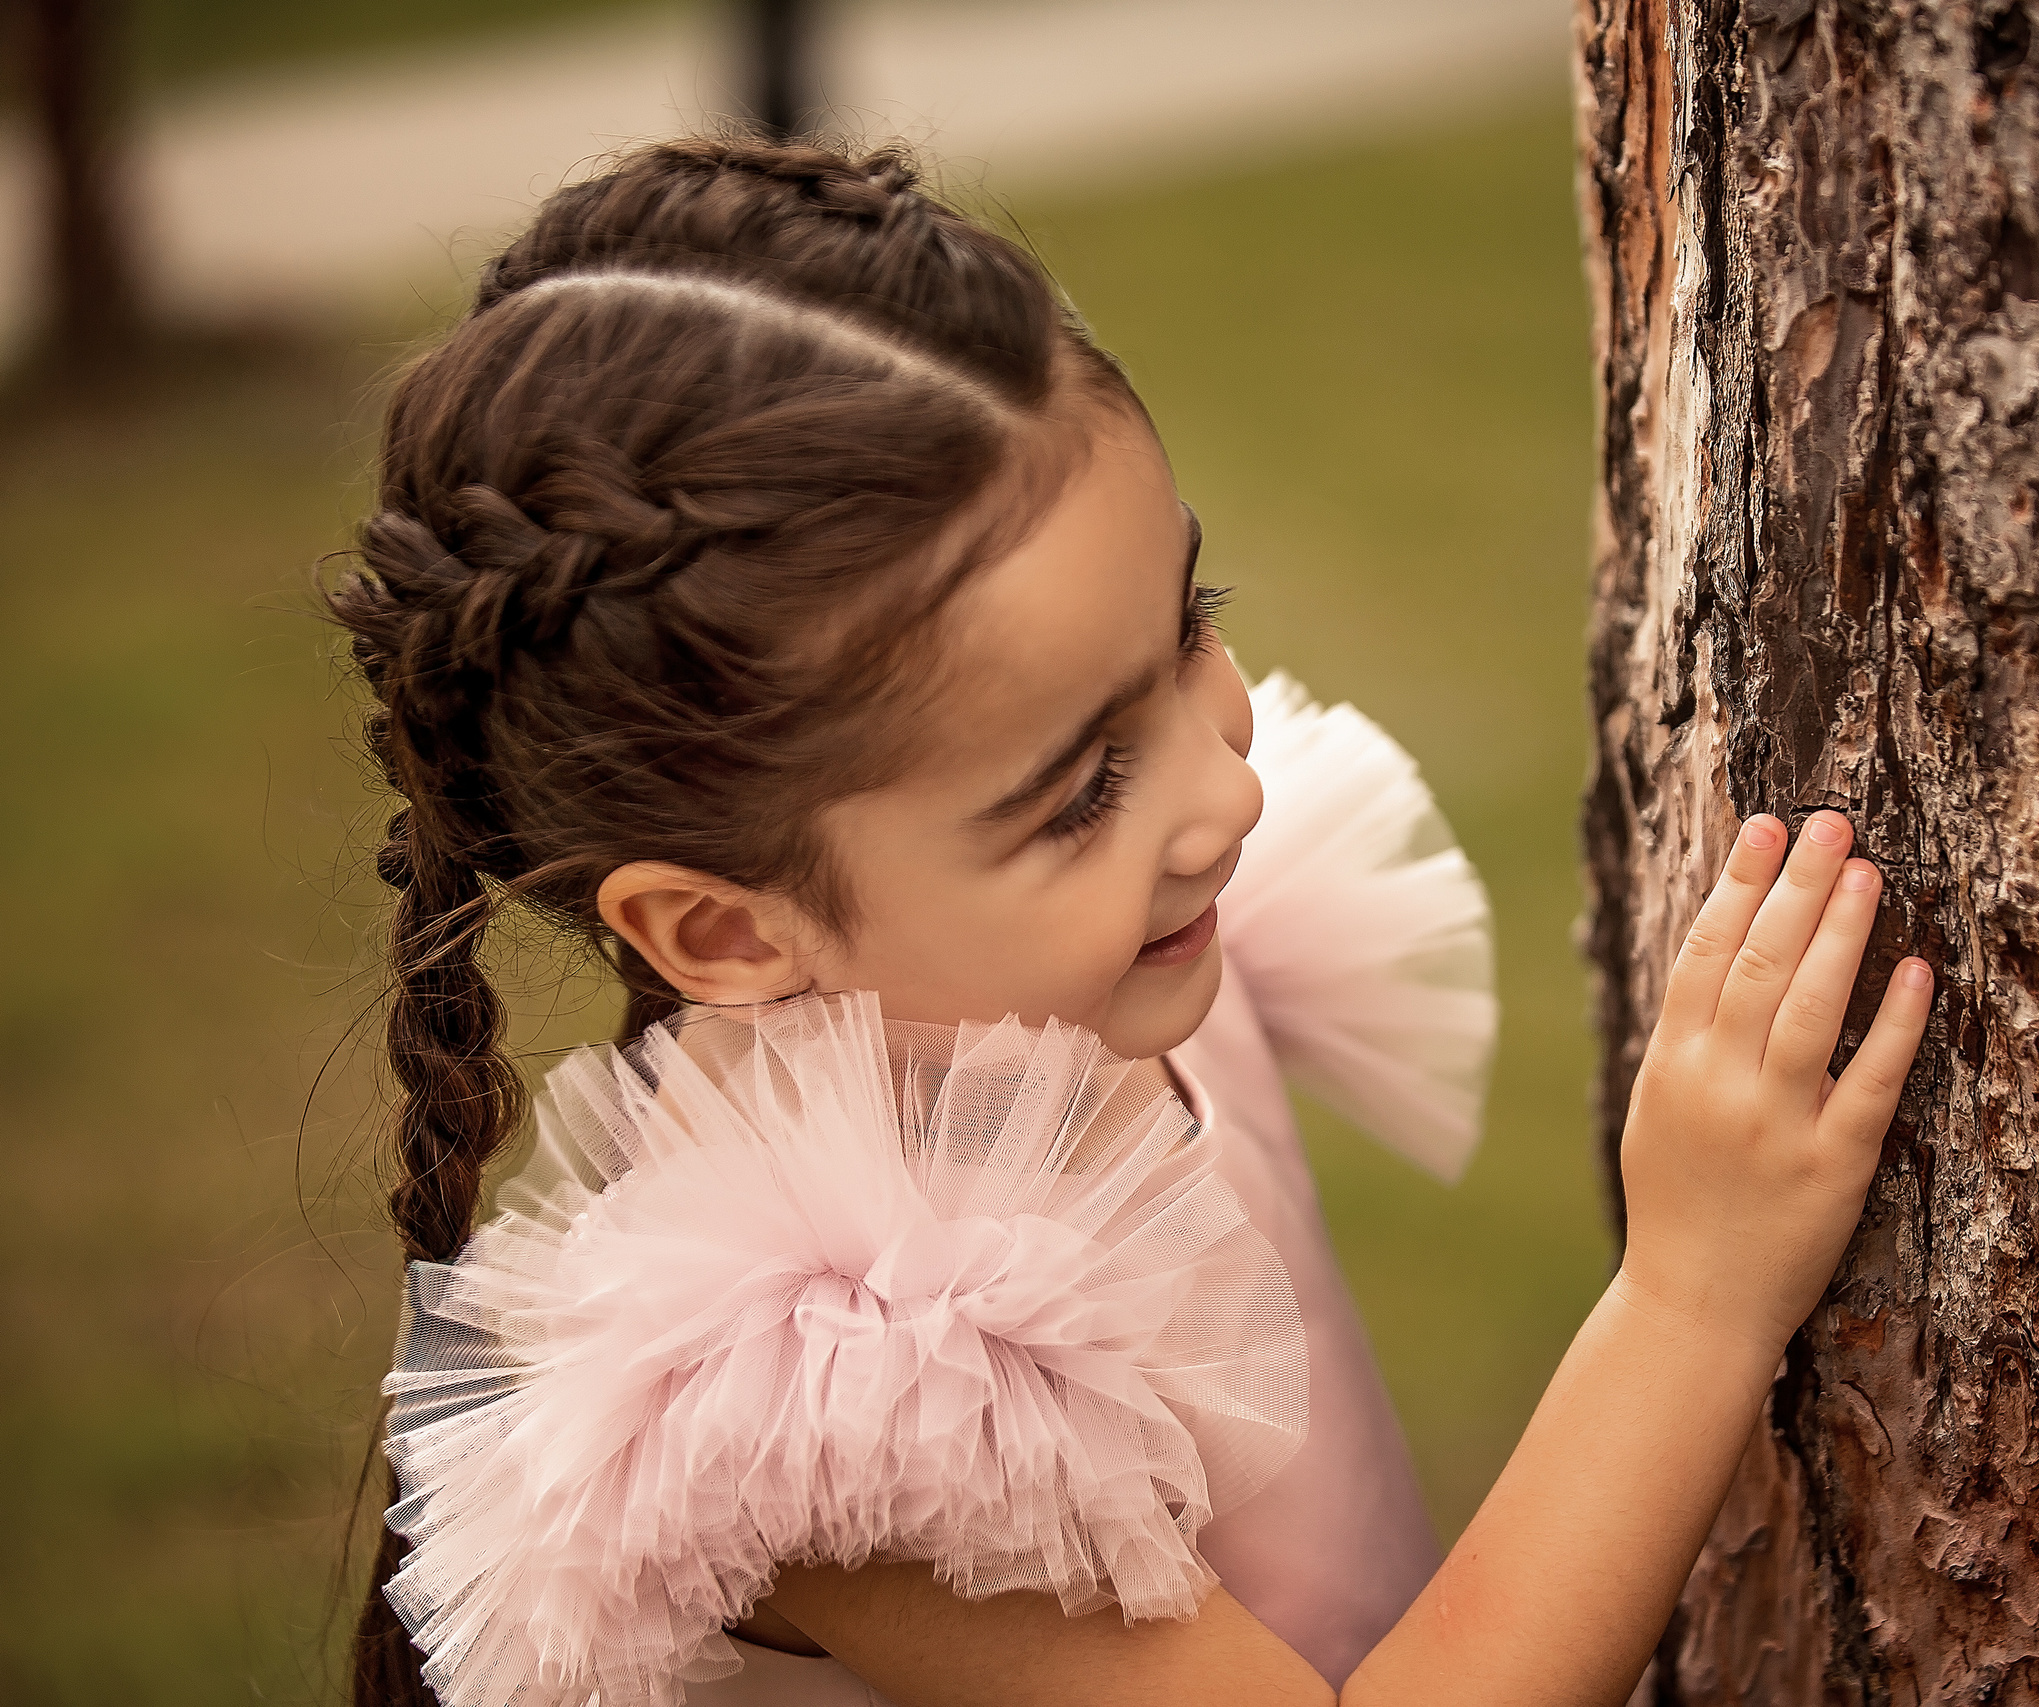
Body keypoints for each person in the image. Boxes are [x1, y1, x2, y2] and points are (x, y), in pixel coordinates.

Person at [329, 135, 1933, 1707]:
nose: (1226, 798)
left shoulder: (1089, 965)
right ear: (731, 934)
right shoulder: (838, 1397)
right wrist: (1694, 1302)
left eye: (1190, 629)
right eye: (1084, 786)